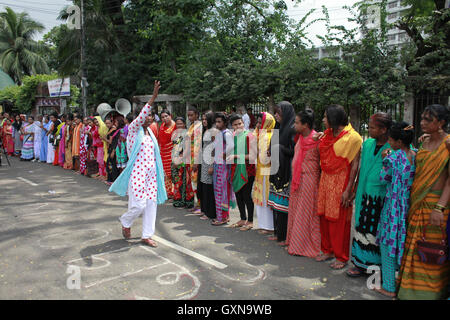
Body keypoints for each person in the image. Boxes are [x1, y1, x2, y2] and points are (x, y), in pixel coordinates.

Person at [397, 104, 450, 300]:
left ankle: (430, 294)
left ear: (441, 123)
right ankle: (408, 290)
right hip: (417, 201)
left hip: (435, 206)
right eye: (422, 119)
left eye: (429, 119)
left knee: (431, 250)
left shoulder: (448, 144)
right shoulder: (425, 142)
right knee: (413, 247)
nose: (422, 123)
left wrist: (439, 208)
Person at [109, 80, 167, 248]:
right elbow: (142, 115)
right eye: (146, 115)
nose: (149, 117)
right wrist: (153, 97)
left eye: (151, 115)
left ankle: (147, 235)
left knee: (151, 205)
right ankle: (126, 221)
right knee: (139, 205)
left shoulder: (151, 133)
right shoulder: (134, 129)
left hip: (151, 174)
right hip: (137, 173)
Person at [315, 105, 362, 269]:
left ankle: (341, 257)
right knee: (323, 216)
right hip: (326, 179)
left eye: (325, 117)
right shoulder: (327, 135)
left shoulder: (353, 138)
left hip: (342, 181)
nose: (323, 120)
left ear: (333, 120)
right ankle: (327, 250)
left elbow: (355, 166)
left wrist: (349, 189)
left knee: (339, 220)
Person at [347, 112, 392, 277]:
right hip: (362, 193)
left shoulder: (393, 148)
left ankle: (376, 266)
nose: (369, 129)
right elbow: (360, 170)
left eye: (372, 127)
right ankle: (359, 264)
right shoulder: (368, 145)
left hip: (379, 197)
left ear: (383, 129)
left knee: (374, 231)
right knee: (360, 228)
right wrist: (354, 190)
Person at [374, 121, 416, 298]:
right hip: (408, 205)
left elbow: (383, 178)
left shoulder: (392, 158)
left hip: (393, 208)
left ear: (398, 142)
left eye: (391, 139)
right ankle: (401, 284)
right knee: (403, 245)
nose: (389, 142)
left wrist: (385, 159)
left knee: (387, 245)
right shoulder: (416, 155)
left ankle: (389, 287)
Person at [285, 109, 321, 258]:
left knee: (305, 212)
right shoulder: (300, 137)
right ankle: (295, 241)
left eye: (297, 122)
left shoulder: (317, 139)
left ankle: (302, 245)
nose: (294, 125)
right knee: (296, 209)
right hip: (298, 179)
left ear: (305, 125)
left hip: (309, 180)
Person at [267, 101, 296, 246]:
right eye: (275, 113)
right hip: (276, 168)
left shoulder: (292, 128)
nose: (276, 116)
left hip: (286, 170)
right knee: (275, 203)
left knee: (283, 205)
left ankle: (284, 236)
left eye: (279, 113)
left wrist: (279, 148)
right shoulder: (278, 127)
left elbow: (295, 151)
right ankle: (277, 232)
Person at [229, 114, 256, 231]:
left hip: (247, 170)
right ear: (232, 126)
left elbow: (252, 156)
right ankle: (242, 218)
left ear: (243, 123)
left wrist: (235, 156)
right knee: (238, 195)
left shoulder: (250, 136)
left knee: (246, 196)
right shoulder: (233, 135)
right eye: (235, 124)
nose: (238, 126)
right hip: (235, 169)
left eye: (240, 123)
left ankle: (250, 221)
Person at [252, 112, 276, 235]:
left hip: (267, 171)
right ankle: (263, 224)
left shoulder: (272, 135)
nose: (258, 124)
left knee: (266, 198)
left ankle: (269, 226)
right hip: (260, 171)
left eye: (261, 122)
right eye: (258, 122)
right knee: (260, 197)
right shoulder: (259, 135)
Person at [211, 112, 235, 226]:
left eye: (219, 122)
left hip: (224, 166)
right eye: (216, 122)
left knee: (222, 191)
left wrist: (224, 154)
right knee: (220, 191)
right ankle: (225, 216)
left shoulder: (226, 133)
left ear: (225, 122)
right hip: (218, 165)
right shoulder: (220, 133)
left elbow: (231, 146)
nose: (217, 124)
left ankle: (222, 218)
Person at [171, 117, 195, 208]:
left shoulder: (187, 134)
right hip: (175, 159)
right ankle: (178, 200)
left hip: (184, 161)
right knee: (177, 181)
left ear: (184, 124)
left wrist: (180, 159)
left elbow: (187, 149)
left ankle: (187, 201)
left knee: (185, 181)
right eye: (177, 124)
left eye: (181, 124)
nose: (179, 126)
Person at [198, 111, 217, 221]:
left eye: (206, 119)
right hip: (204, 161)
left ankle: (210, 212)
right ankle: (204, 210)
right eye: (203, 119)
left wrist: (211, 165)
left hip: (209, 161)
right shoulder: (206, 130)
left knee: (209, 188)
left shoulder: (213, 131)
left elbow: (215, 148)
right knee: (204, 186)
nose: (204, 121)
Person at [186, 106, 203, 212]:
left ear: (197, 114)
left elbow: (198, 143)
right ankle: (197, 204)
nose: (189, 117)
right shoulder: (192, 126)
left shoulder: (199, 126)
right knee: (193, 181)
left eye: (191, 115)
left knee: (196, 180)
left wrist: (196, 161)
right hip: (190, 156)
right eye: (188, 115)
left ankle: (200, 205)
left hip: (195, 157)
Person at [158, 109, 176, 199]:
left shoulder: (175, 126)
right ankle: (168, 192)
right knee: (165, 173)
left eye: (166, 116)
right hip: (163, 152)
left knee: (172, 172)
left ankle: (174, 192)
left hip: (172, 152)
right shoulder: (161, 126)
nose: (164, 118)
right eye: (162, 117)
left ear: (170, 116)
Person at [106, 118, 122, 184]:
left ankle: (114, 180)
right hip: (111, 148)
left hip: (114, 149)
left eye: (116, 122)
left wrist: (113, 151)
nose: (115, 124)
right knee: (110, 164)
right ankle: (110, 179)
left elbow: (115, 142)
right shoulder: (116, 130)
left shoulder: (118, 131)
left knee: (114, 165)